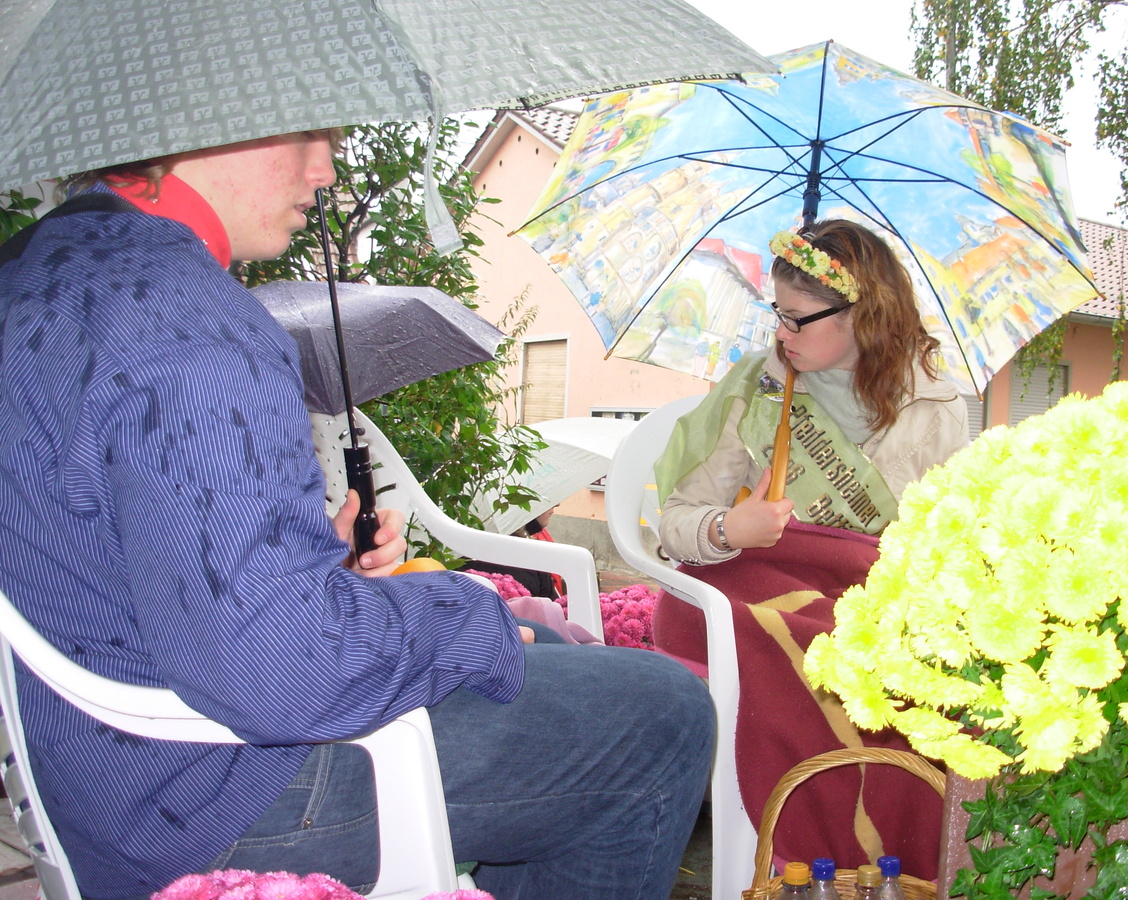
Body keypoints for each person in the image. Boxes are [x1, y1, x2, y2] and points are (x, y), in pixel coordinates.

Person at [0, 131, 713, 900]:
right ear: (194, 126)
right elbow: (285, 672)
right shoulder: (189, 323)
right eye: (304, 133)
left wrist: (315, 567)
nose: (326, 169)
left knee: (562, 683)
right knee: (661, 715)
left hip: (96, 778)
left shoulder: (35, 271)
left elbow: (123, 550)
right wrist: (469, 611)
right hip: (216, 792)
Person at [652, 219, 969, 880]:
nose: (781, 333)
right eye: (777, 313)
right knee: (811, 652)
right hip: (754, 590)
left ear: (863, 316)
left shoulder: (936, 407)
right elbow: (675, 522)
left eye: (796, 318)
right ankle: (824, 868)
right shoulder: (759, 388)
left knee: (931, 684)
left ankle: (887, 872)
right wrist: (729, 530)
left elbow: (948, 548)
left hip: (876, 602)